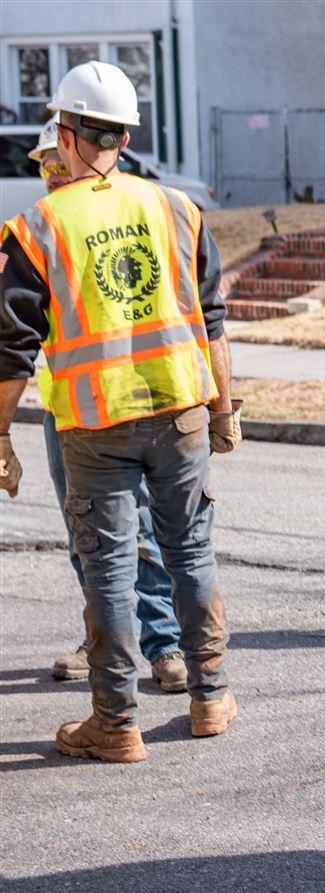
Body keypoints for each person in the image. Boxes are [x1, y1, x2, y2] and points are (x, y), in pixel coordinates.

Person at [0, 61, 242, 764]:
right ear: (127, 135)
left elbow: (11, 349)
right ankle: (210, 696)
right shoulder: (176, 208)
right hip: (180, 412)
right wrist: (225, 409)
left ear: (66, 133)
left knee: (107, 567)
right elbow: (213, 322)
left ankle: (116, 721)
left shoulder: (38, 225)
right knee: (191, 551)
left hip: (93, 424)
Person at [24, 115, 189, 693]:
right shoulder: (44, 232)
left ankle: (164, 643)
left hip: (136, 402)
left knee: (140, 530)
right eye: (42, 168)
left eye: (54, 162)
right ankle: (102, 637)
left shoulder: (123, 217)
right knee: (85, 534)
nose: (50, 175)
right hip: (66, 409)